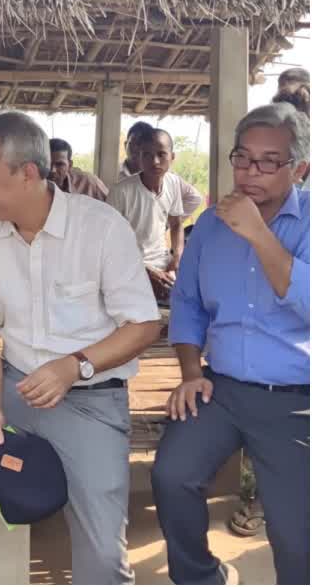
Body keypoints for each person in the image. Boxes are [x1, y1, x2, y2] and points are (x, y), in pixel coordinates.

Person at [0, 111, 162, 585]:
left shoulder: (101, 228)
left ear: (28, 173)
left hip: (90, 400)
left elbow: (144, 325)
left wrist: (76, 366)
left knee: (103, 552)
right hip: (9, 386)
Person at [151, 102, 309, 586]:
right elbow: (189, 303)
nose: (250, 172)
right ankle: (200, 577)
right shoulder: (212, 226)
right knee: (172, 474)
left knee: (296, 532)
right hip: (219, 389)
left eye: (268, 161)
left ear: (299, 169)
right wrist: (191, 374)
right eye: (242, 158)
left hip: (295, 398)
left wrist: (259, 234)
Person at [107, 128, 185, 303]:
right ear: (139, 158)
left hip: (163, 264)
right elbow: (109, 245)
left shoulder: (173, 183)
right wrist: (147, 272)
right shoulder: (121, 192)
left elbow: (176, 224)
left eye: (161, 154)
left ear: (172, 157)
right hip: (130, 268)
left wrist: (177, 258)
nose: (155, 161)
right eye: (147, 155)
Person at [120, 122, 204, 218]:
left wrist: (167, 223)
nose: (136, 149)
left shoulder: (166, 176)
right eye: (132, 144)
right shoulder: (113, 174)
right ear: (125, 145)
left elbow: (194, 198)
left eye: (140, 145)